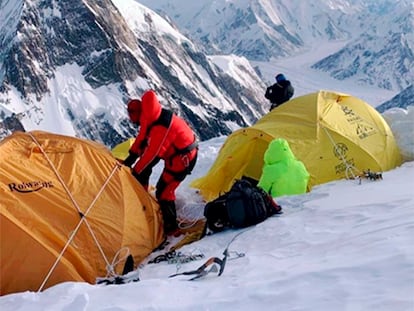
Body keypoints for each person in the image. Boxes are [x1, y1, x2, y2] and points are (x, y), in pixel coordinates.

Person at [123, 90, 198, 234]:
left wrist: (135, 172)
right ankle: (142, 195)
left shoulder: (160, 128)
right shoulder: (150, 115)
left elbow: (152, 155)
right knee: (145, 171)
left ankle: (172, 229)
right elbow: (142, 138)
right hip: (177, 155)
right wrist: (131, 157)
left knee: (164, 192)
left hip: (183, 160)